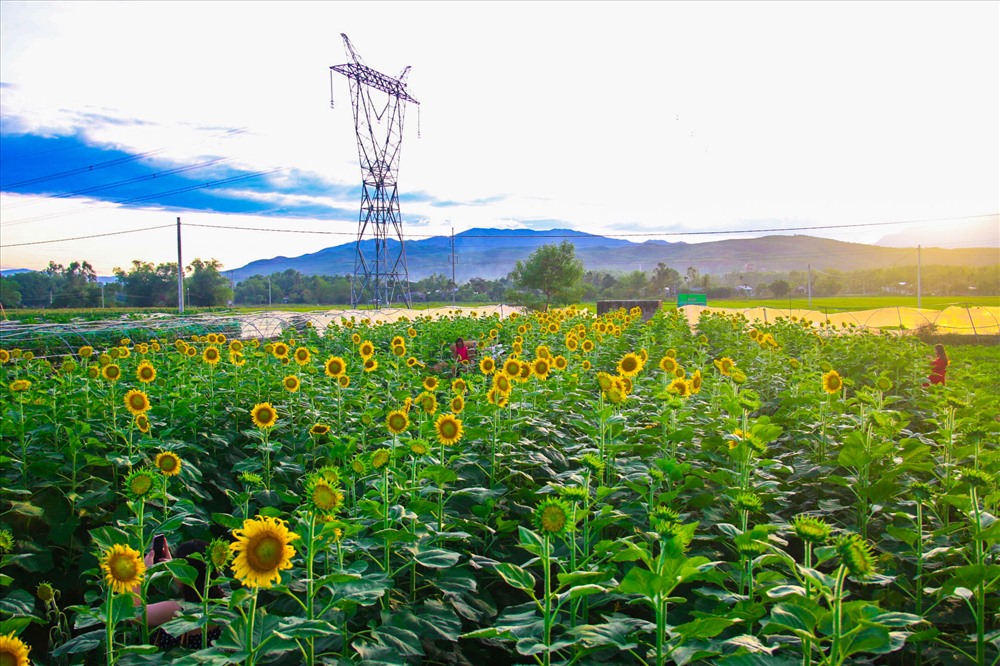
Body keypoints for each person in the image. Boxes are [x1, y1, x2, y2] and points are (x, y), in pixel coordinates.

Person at [133, 538, 224, 649]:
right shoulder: (223, 606)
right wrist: (175, 567)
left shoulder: (178, 610)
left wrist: (140, 573)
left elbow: (133, 613)